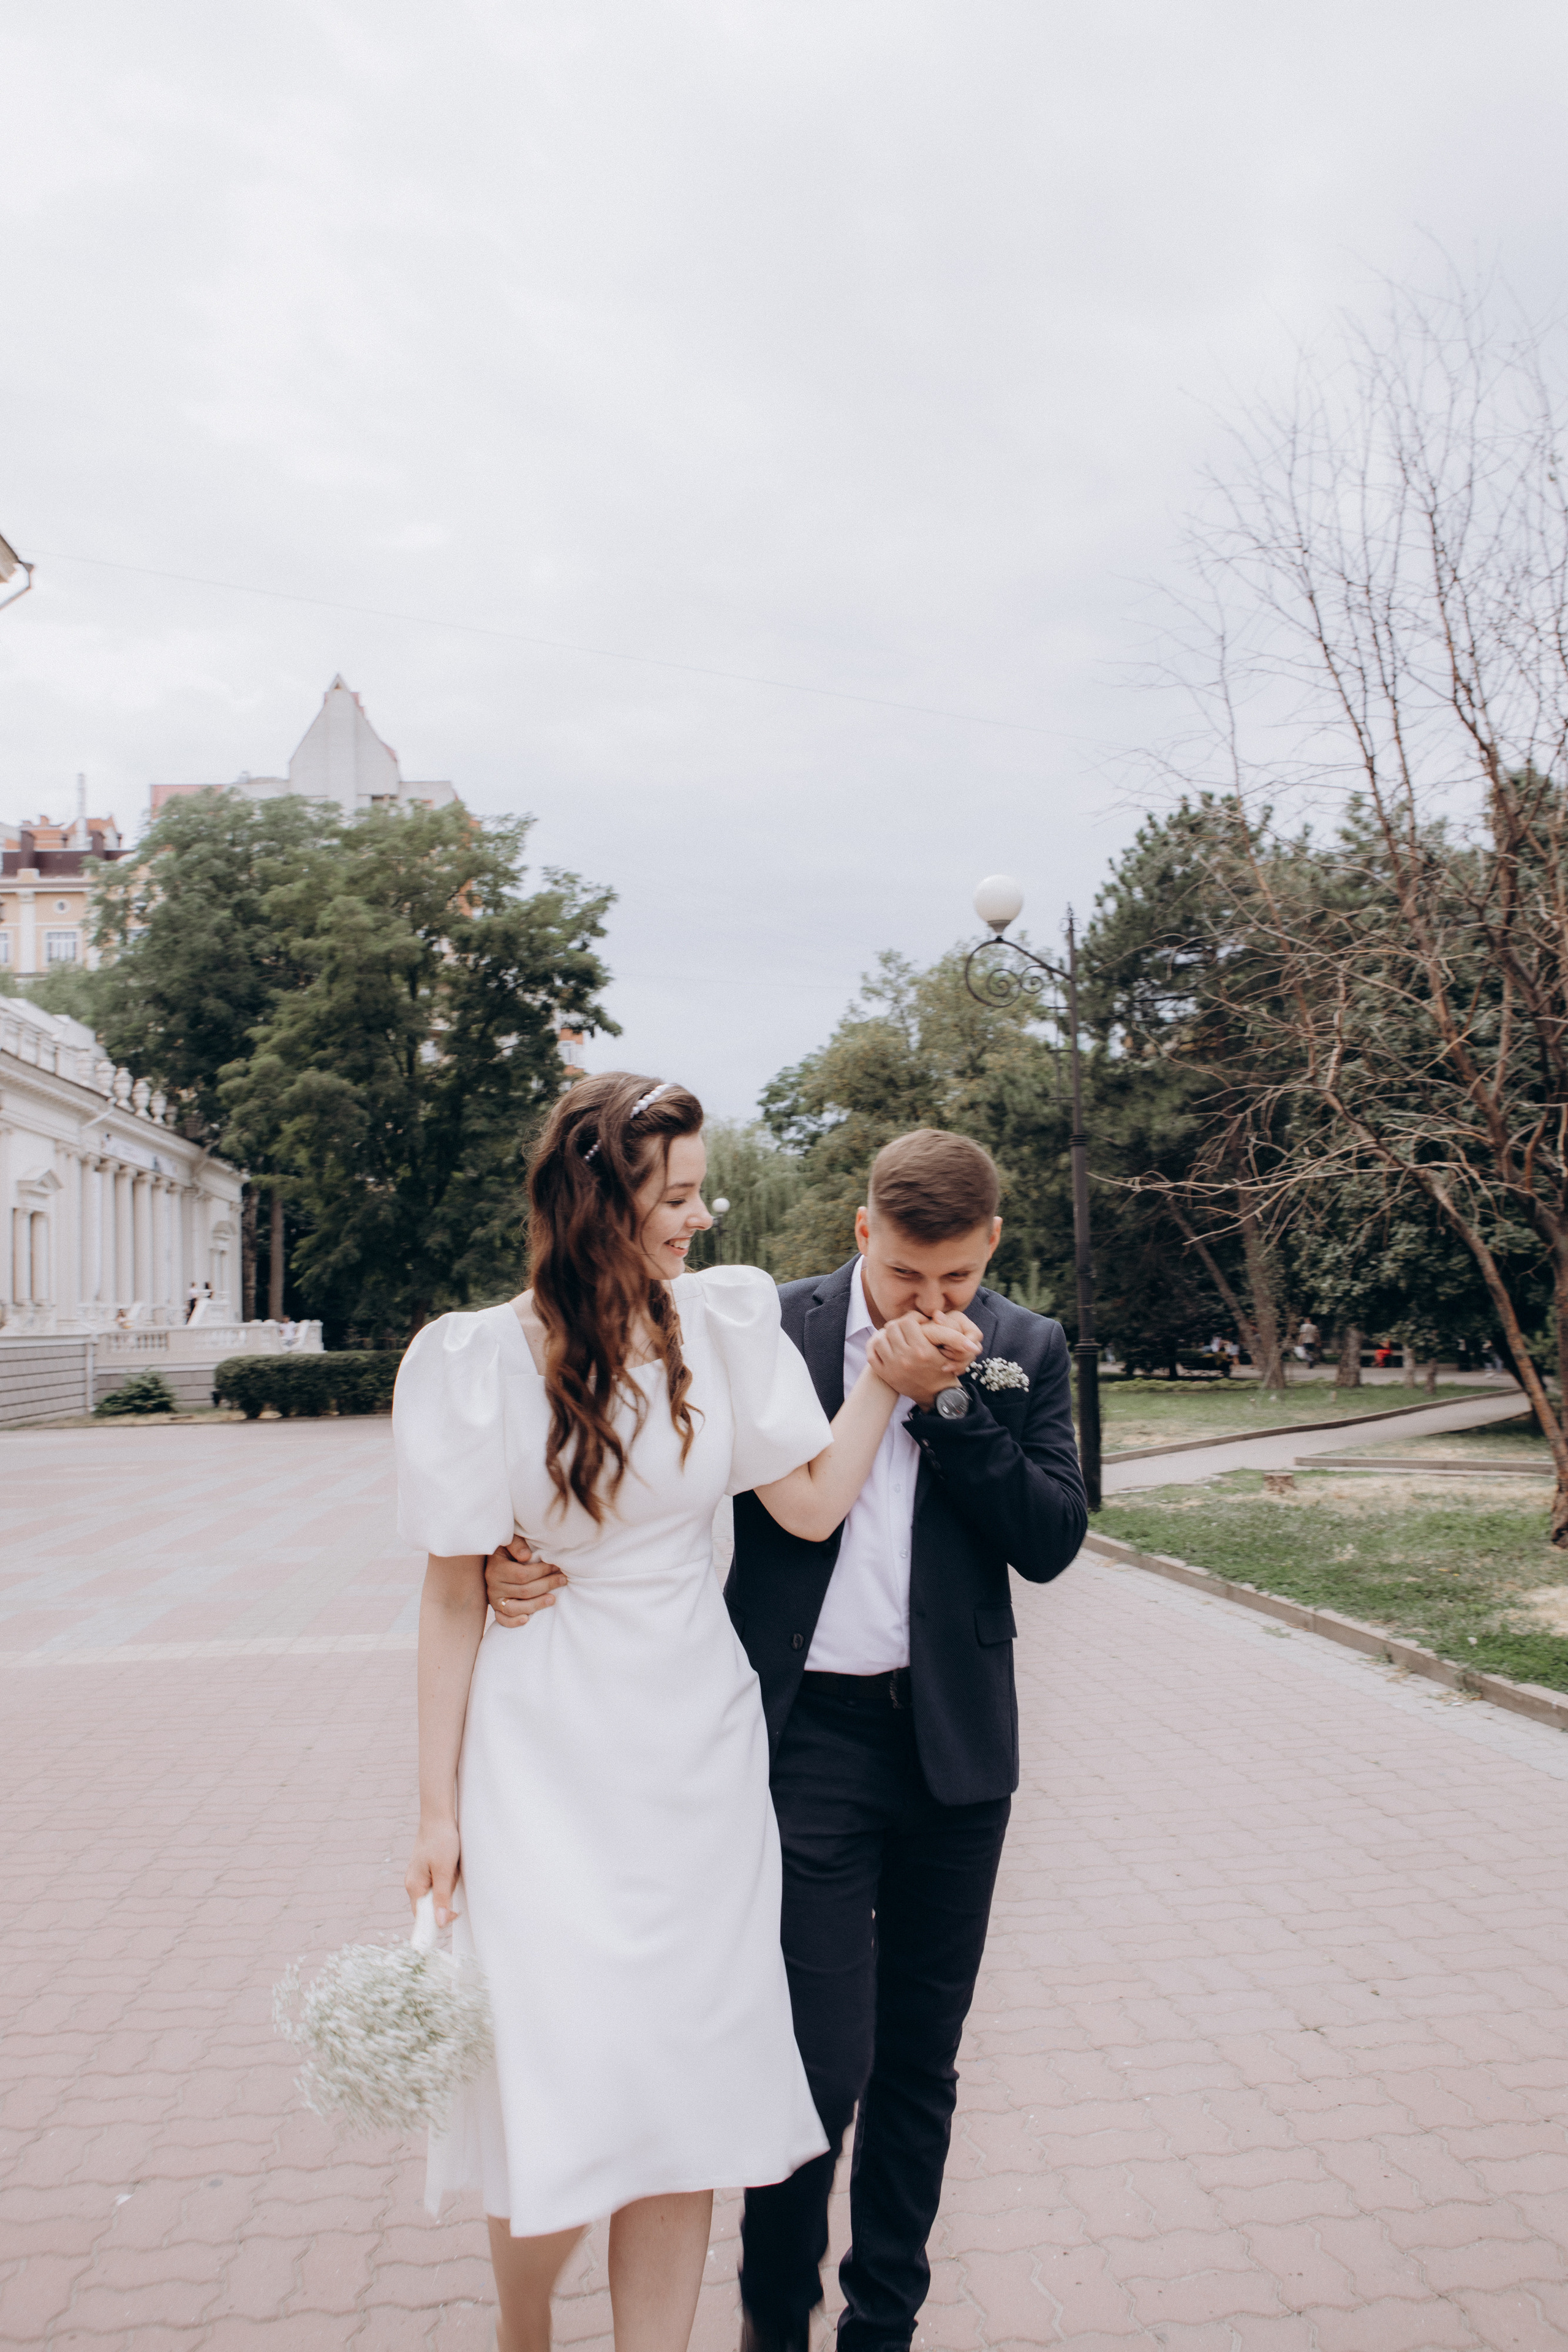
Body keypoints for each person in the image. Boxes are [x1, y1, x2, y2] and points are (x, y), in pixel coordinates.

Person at [397, 1076, 978, 2352]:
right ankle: (522, 2329)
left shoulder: (720, 1328)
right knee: (560, 2065)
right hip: (542, 1747)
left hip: (697, 1749)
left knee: (675, 2083)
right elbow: (449, 1601)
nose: (701, 1217)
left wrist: (881, 1382)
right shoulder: (477, 1360)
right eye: (675, 1196)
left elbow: (811, 1505)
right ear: (599, 1206)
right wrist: (435, 1814)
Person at [489, 1127, 1087, 2352]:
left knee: (920, 2063)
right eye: (909, 1276)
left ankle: (880, 2327)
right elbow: (629, 1441)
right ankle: (776, 2328)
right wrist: (518, 1547)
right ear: (862, 1233)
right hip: (801, 1740)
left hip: (955, 1755)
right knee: (812, 2067)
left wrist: (952, 1412)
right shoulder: (760, 1329)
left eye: (958, 1281)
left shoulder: (1026, 1349)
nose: (933, 1303)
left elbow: (1051, 1538)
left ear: (989, 1254)